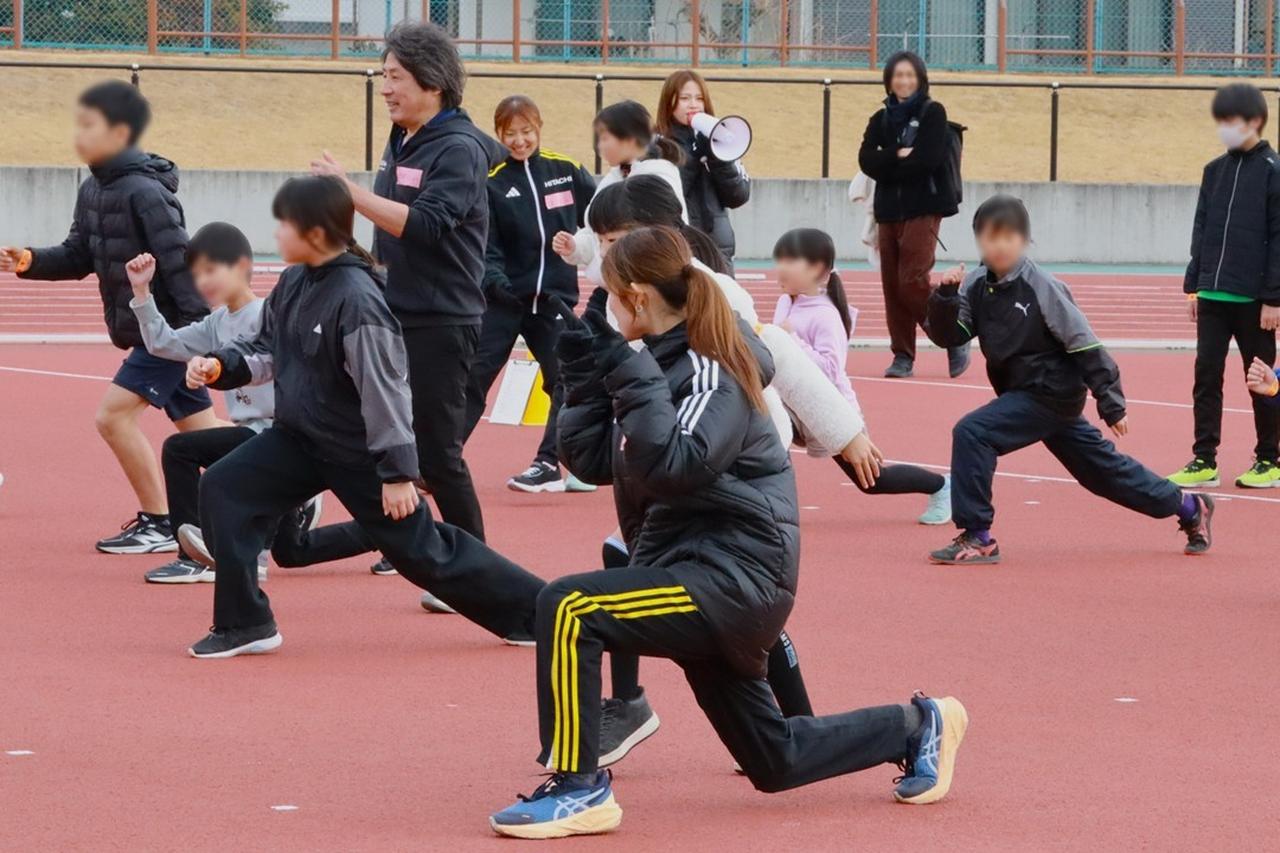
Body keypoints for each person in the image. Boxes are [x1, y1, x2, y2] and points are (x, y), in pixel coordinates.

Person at [488, 226, 968, 838]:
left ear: (636, 298)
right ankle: (917, 724)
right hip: (690, 567)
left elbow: (676, 467)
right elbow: (587, 460)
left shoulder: (715, 370)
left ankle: (579, 788)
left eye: (609, 295)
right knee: (774, 762)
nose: (605, 310)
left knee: (569, 605)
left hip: (735, 574)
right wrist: (582, 374)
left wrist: (627, 377)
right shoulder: (654, 365)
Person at [181, 176, 544, 659]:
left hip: (358, 454)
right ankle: (245, 623)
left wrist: (397, 474)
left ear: (314, 233)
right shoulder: (293, 283)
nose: (276, 235)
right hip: (300, 438)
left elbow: (386, 390)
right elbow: (266, 348)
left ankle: (539, 612)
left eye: (284, 225)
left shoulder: (357, 298)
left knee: (424, 552)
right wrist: (221, 366)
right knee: (224, 488)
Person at [924, 195, 1215, 565]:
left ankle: (978, 536)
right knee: (1103, 474)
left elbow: (1084, 343)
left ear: (1024, 239)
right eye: (988, 236)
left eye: (1008, 236)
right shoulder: (976, 284)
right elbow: (951, 336)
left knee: (973, 432)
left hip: (1051, 394)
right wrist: (945, 297)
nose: (998, 245)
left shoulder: (1043, 286)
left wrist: (1111, 401)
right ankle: (1190, 507)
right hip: (1023, 394)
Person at [310, 21, 505, 546]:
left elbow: (425, 224)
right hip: (390, 309)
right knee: (374, 436)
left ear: (432, 83)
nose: (386, 87)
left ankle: (480, 571)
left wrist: (348, 191)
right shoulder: (404, 137)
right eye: (383, 74)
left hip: (440, 320)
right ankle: (398, 540)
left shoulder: (458, 149)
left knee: (436, 457)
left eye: (395, 76)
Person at [0, 80, 215, 554]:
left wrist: (200, 335)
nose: (78, 136)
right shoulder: (94, 187)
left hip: (167, 330)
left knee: (113, 417)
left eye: (89, 126)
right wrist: (29, 260)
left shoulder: (145, 192)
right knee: (205, 433)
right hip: (148, 330)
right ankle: (291, 498)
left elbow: (180, 263)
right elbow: (81, 253)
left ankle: (160, 522)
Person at [125, 222, 320, 584]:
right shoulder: (216, 323)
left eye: (212, 271)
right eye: (197, 275)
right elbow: (163, 344)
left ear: (243, 266)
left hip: (280, 432)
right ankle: (312, 510)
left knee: (181, 450)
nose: (204, 283)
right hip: (248, 433)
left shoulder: (269, 314)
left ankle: (195, 555)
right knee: (293, 551)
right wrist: (142, 293)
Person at [463, 94, 597, 494]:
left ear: (538, 129)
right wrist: (497, 282)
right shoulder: (492, 181)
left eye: (527, 131)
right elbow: (484, 246)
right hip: (503, 303)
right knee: (472, 379)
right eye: (510, 133)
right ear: (499, 134)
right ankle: (437, 461)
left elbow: (599, 218)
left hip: (554, 302)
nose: (519, 140)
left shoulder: (566, 170)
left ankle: (550, 462)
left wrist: (584, 249)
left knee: (567, 379)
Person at [772, 227, 950, 524]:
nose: (780, 268)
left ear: (818, 269)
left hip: (830, 409)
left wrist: (792, 342)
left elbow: (830, 369)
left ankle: (941, 485)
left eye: (790, 261)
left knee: (873, 482)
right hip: (792, 404)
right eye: (779, 260)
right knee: (767, 435)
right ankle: (772, 509)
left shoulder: (826, 315)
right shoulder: (785, 302)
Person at [1169, 82, 1280, 490]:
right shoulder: (1213, 171)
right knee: (1206, 376)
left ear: (1253, 122)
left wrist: (1274, 298)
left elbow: (1279, 237)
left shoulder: (1273, 172)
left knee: (1260, 380)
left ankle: (1269, 459)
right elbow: (1202, 231)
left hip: (1254, 301)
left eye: (1230, 121)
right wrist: (1194, 286)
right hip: (1213, 296)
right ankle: (1204, 459)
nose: (1223, 129)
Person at [857, 50, 969, 381]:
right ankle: (902, 355)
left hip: (924, 207)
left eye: (910, 75)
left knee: (912, 281)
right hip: (888, 211)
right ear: (889, 80)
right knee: (892, 286)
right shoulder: (880, 119)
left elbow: (928, 160)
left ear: (920, 79)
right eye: (897, 75)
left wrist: (888, 164)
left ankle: (952, 333)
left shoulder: (933, 112)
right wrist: (897, 154)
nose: (903, 81)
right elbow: (866, 160)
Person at [551, 99, 686, 285]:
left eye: (605, 138)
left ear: (630, 140)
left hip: (644, 288)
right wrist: (575, 247)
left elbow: (660, 240)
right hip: (617, 287)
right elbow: (595, 234)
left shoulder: (658, 180)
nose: (599, 147)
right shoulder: (613, 179)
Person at [654, 69, 750, 269]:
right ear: (668, 103)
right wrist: (691, 156)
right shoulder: (657, 145)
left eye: (699, 98)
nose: (693, 105)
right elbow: (667, 196)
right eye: (684, 98)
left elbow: (738, 196)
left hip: (717, 248)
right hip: (678, 246)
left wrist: (718, 159)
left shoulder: (718, 138)